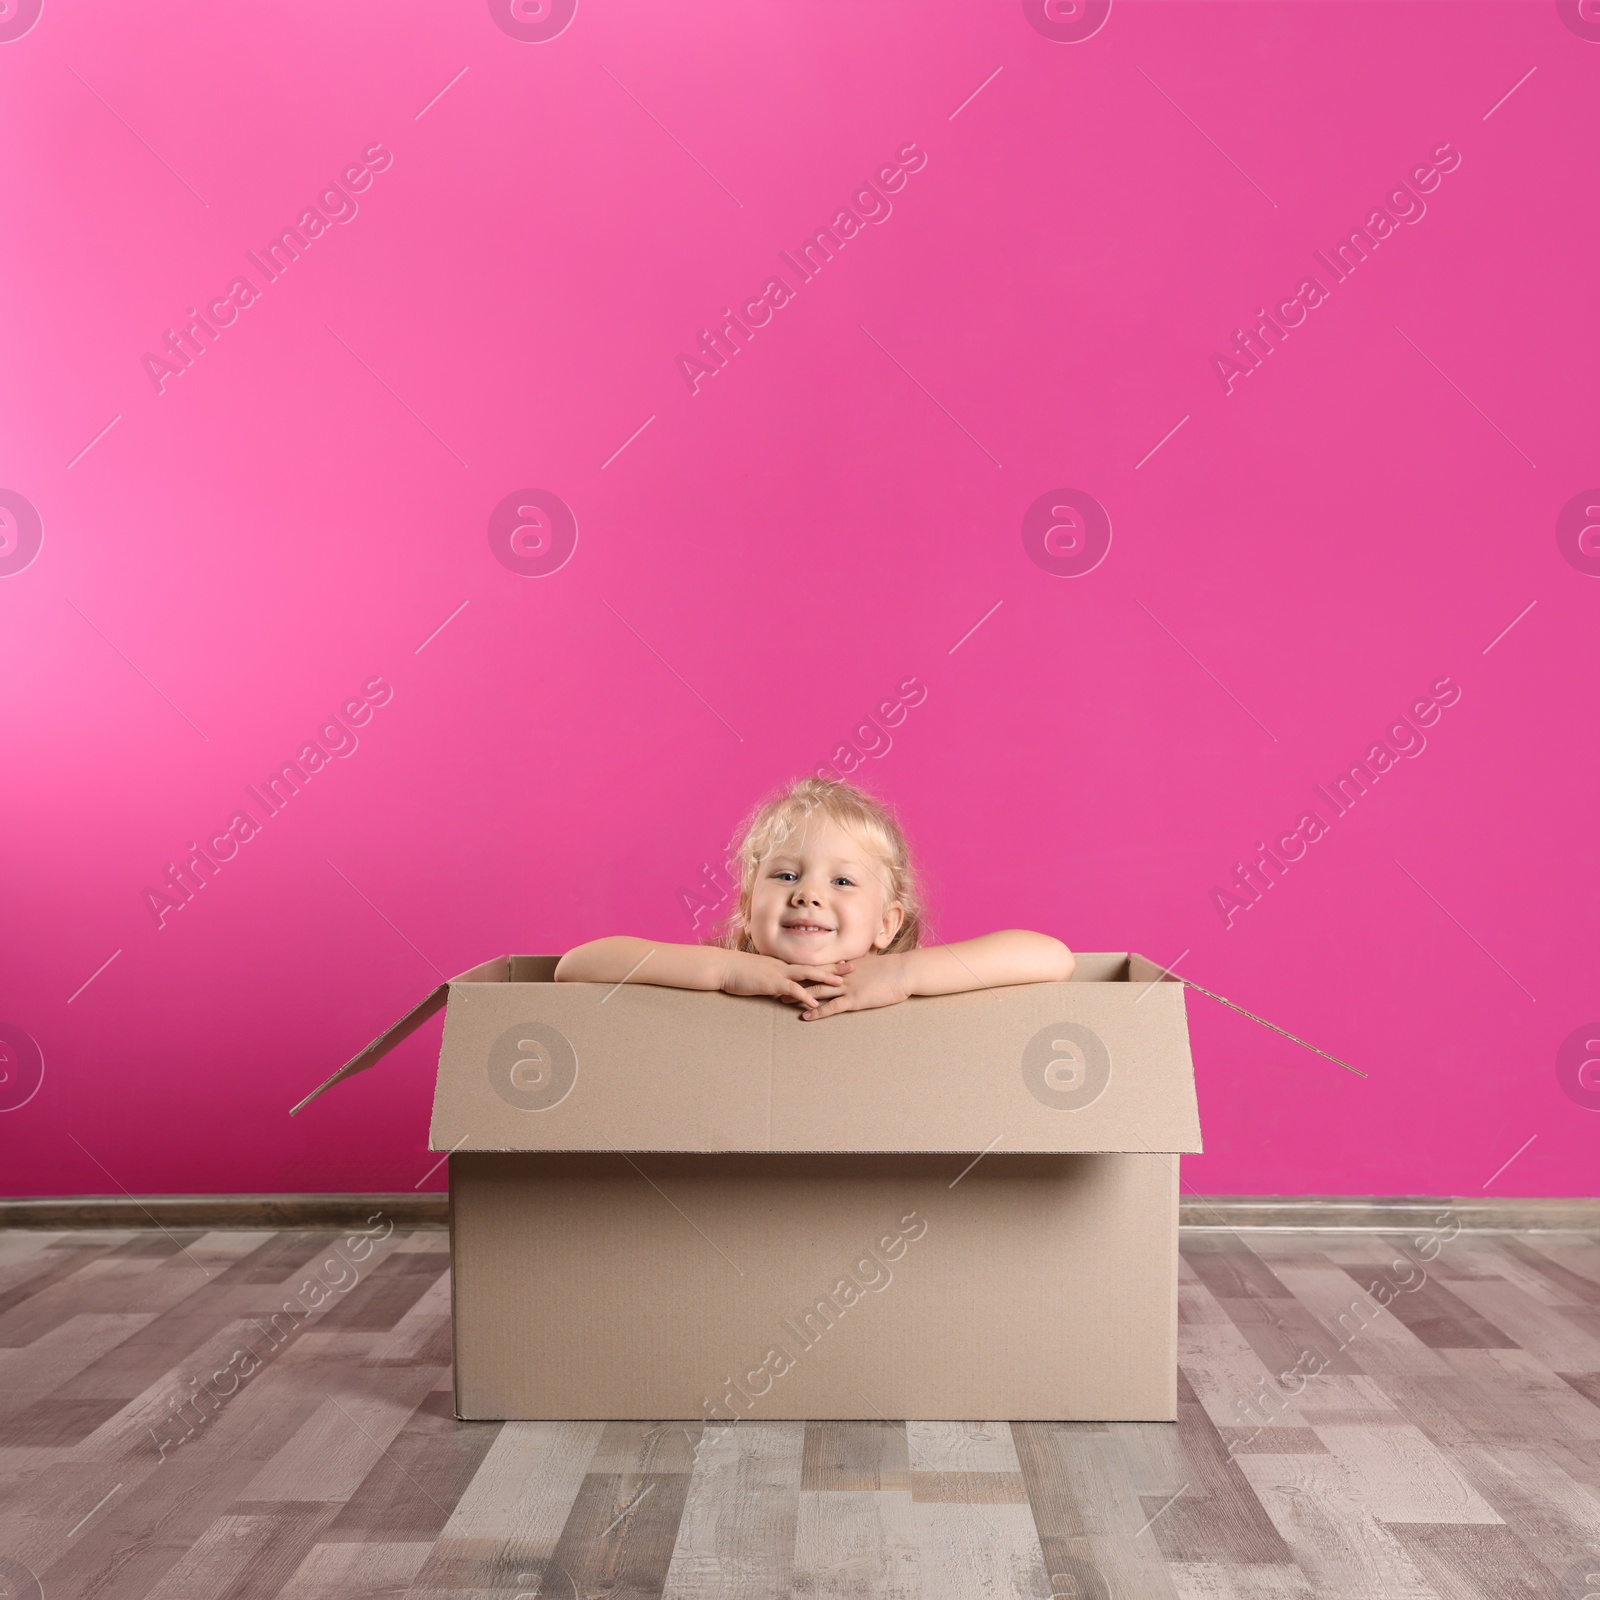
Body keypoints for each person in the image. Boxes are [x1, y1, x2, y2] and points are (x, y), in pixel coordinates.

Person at [554, 776, 1074, 1020]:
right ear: (747, 906)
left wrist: (904, 975)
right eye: (784, 876)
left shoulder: (897, 979)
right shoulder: (730, 973)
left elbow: (1052, 956)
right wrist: (726, 971)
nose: (807, 895)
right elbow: (578, 966)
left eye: (842, 882)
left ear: (886, 925)